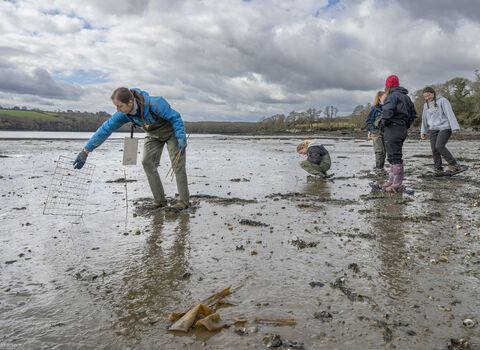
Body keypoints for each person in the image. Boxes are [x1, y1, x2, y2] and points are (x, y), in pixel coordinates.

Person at [73, 87, 189, 211]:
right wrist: (86, 151)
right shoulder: (123, 114)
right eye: (116, 106)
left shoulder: (155, 103)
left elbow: (175, 118)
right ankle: (160, 201)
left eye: (120, 106)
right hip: (153, 135)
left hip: (172, 133)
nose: (117, 110)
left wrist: (181, 137)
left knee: (177, 164)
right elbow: (105, 129)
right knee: (147, 162)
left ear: (130, 102)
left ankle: (183, 201)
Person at [378, 75, 417, 192]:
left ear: (388, 86)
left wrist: (383, 124)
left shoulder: (391, 96)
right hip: (402, 129)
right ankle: (391, 181)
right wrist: (406, 124)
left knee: (395, 157)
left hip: (392, 128)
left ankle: (396, 185)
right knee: (393, 156)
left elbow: (387, 112)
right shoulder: (406, 97)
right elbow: (413, 114)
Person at [420, 86, 462, 175]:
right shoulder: (425, 105)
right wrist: (423, 131)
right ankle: (438, 168)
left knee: (439, 146)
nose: (428, 98)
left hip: (445, 127)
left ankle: (454, 164)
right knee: (434, 149)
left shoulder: (443, 100)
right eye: (425, 97)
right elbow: (424, 118)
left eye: (429, 95)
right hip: (433, 129)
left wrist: (454, 127)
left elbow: (449, 113)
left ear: (433, 93)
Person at [365, 91, 386, 169]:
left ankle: (381, 167)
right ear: (379, 97)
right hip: (375, 131)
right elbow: (369, 120)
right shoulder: (374, 108)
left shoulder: (389, 107)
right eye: (385, 97)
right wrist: (369, 131)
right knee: (379, 151)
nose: (386, 98)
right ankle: (379, 168)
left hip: (385, 131)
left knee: (384, 152)